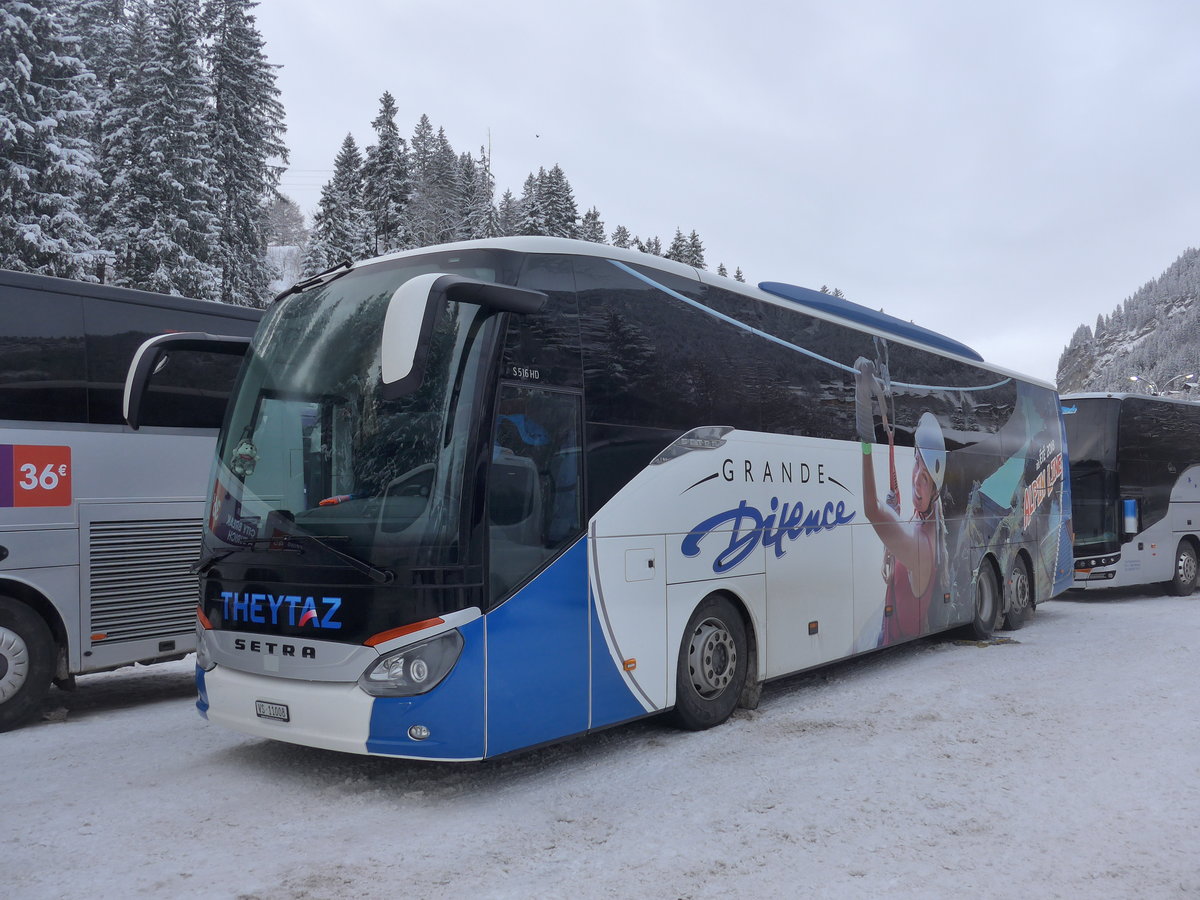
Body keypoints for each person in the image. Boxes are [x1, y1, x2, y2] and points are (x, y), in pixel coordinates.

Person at [855, 358, 947, 646]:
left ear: (935, 491)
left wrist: (866, 440)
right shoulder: (925, 523)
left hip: (891, 637)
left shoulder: (920, 545)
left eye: (925, 481)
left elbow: (871, 508)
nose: (917, 483)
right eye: (917, 466)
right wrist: (895, 515)